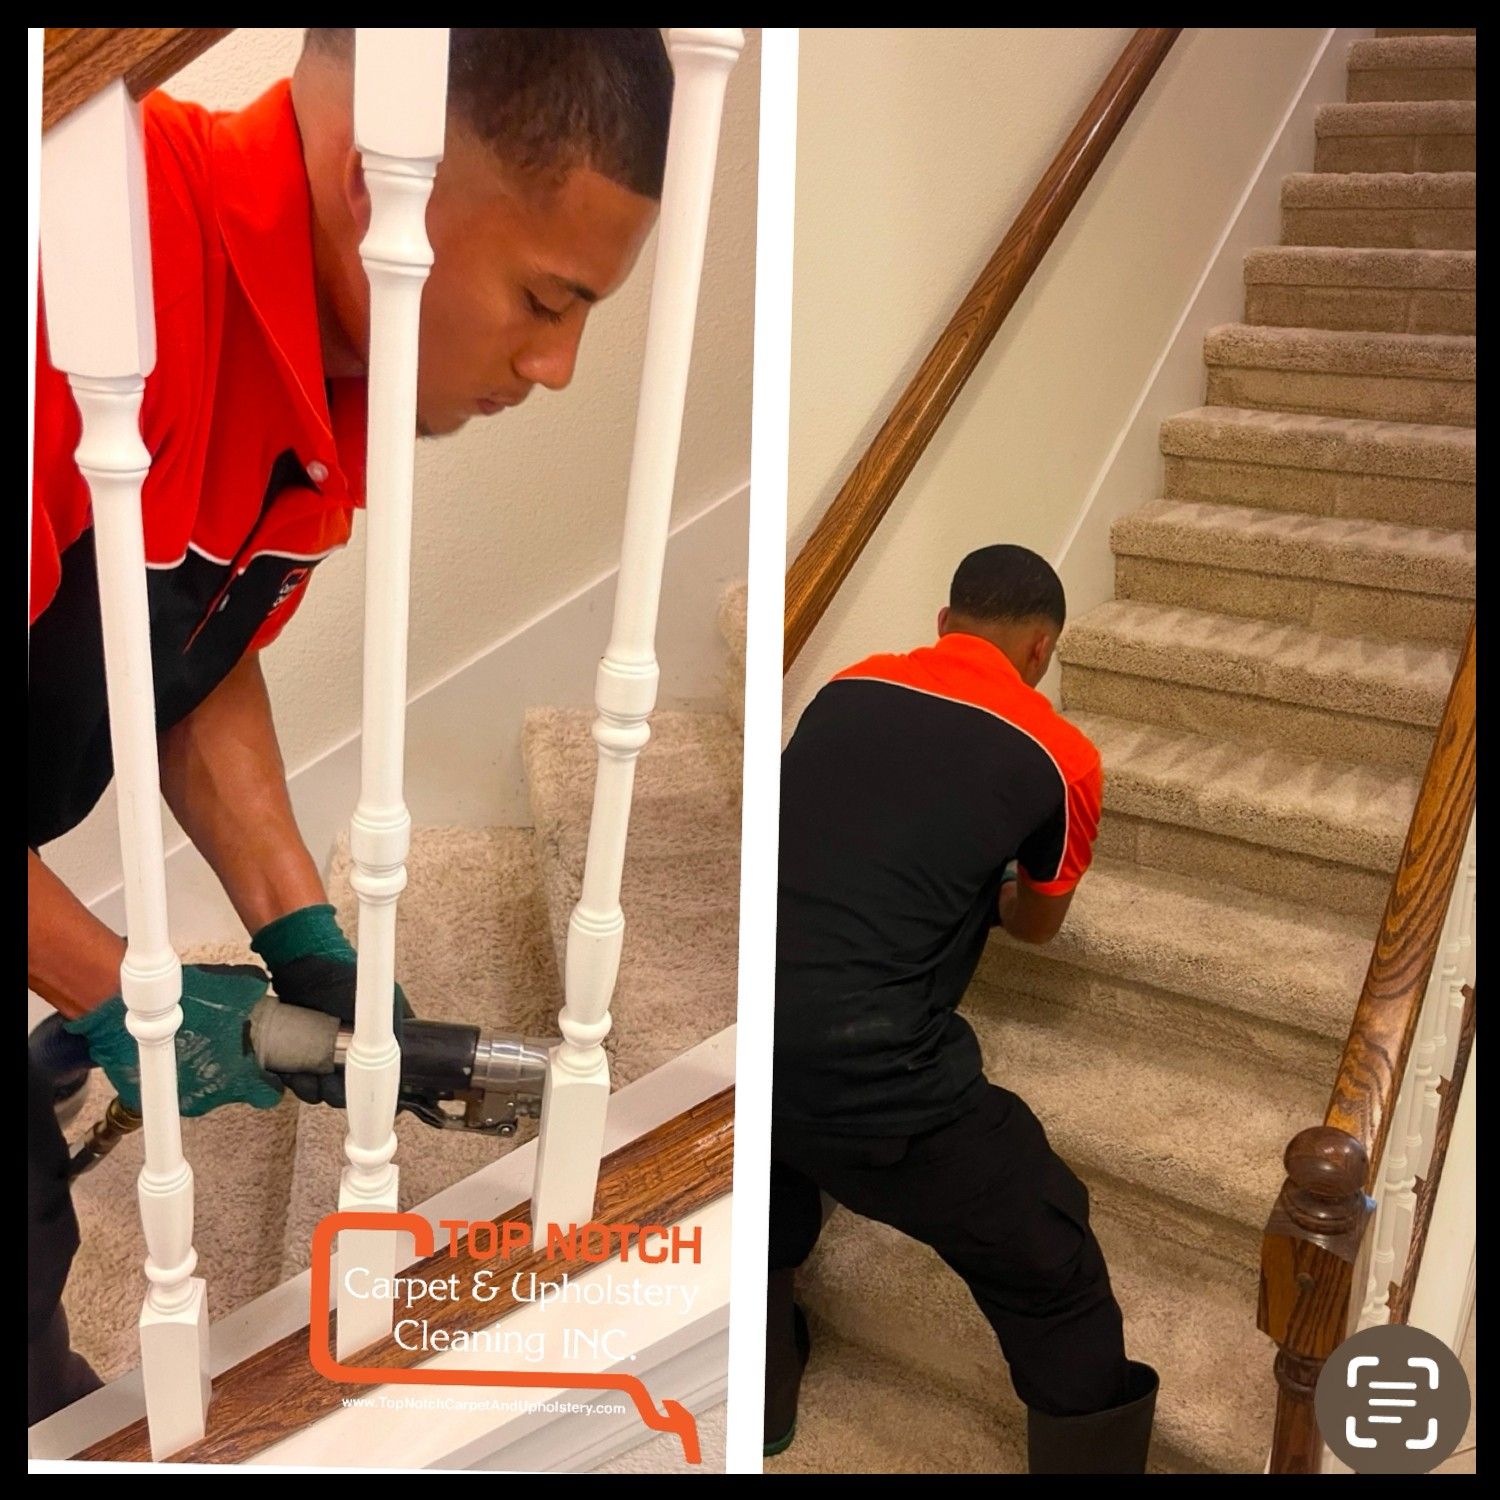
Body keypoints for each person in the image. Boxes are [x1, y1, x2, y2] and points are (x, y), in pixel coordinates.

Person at [28, 28, 672, 1426]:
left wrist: (300, 932)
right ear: (383, 175)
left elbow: (192, 646)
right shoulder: (75, 272)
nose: (560, 364)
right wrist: (119, 996)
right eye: (547, 298)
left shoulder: (338, 376)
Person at [767, 544, 1159, 1474]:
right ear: (1042, 649)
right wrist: (990, 883)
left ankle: (766, 1403)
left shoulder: (846, 686)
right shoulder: (1063, 755)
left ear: (944, 623)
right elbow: (1036, 926)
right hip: (882, 1084)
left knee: (773, 1190)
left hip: (755, 1038)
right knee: (1051, 1261)